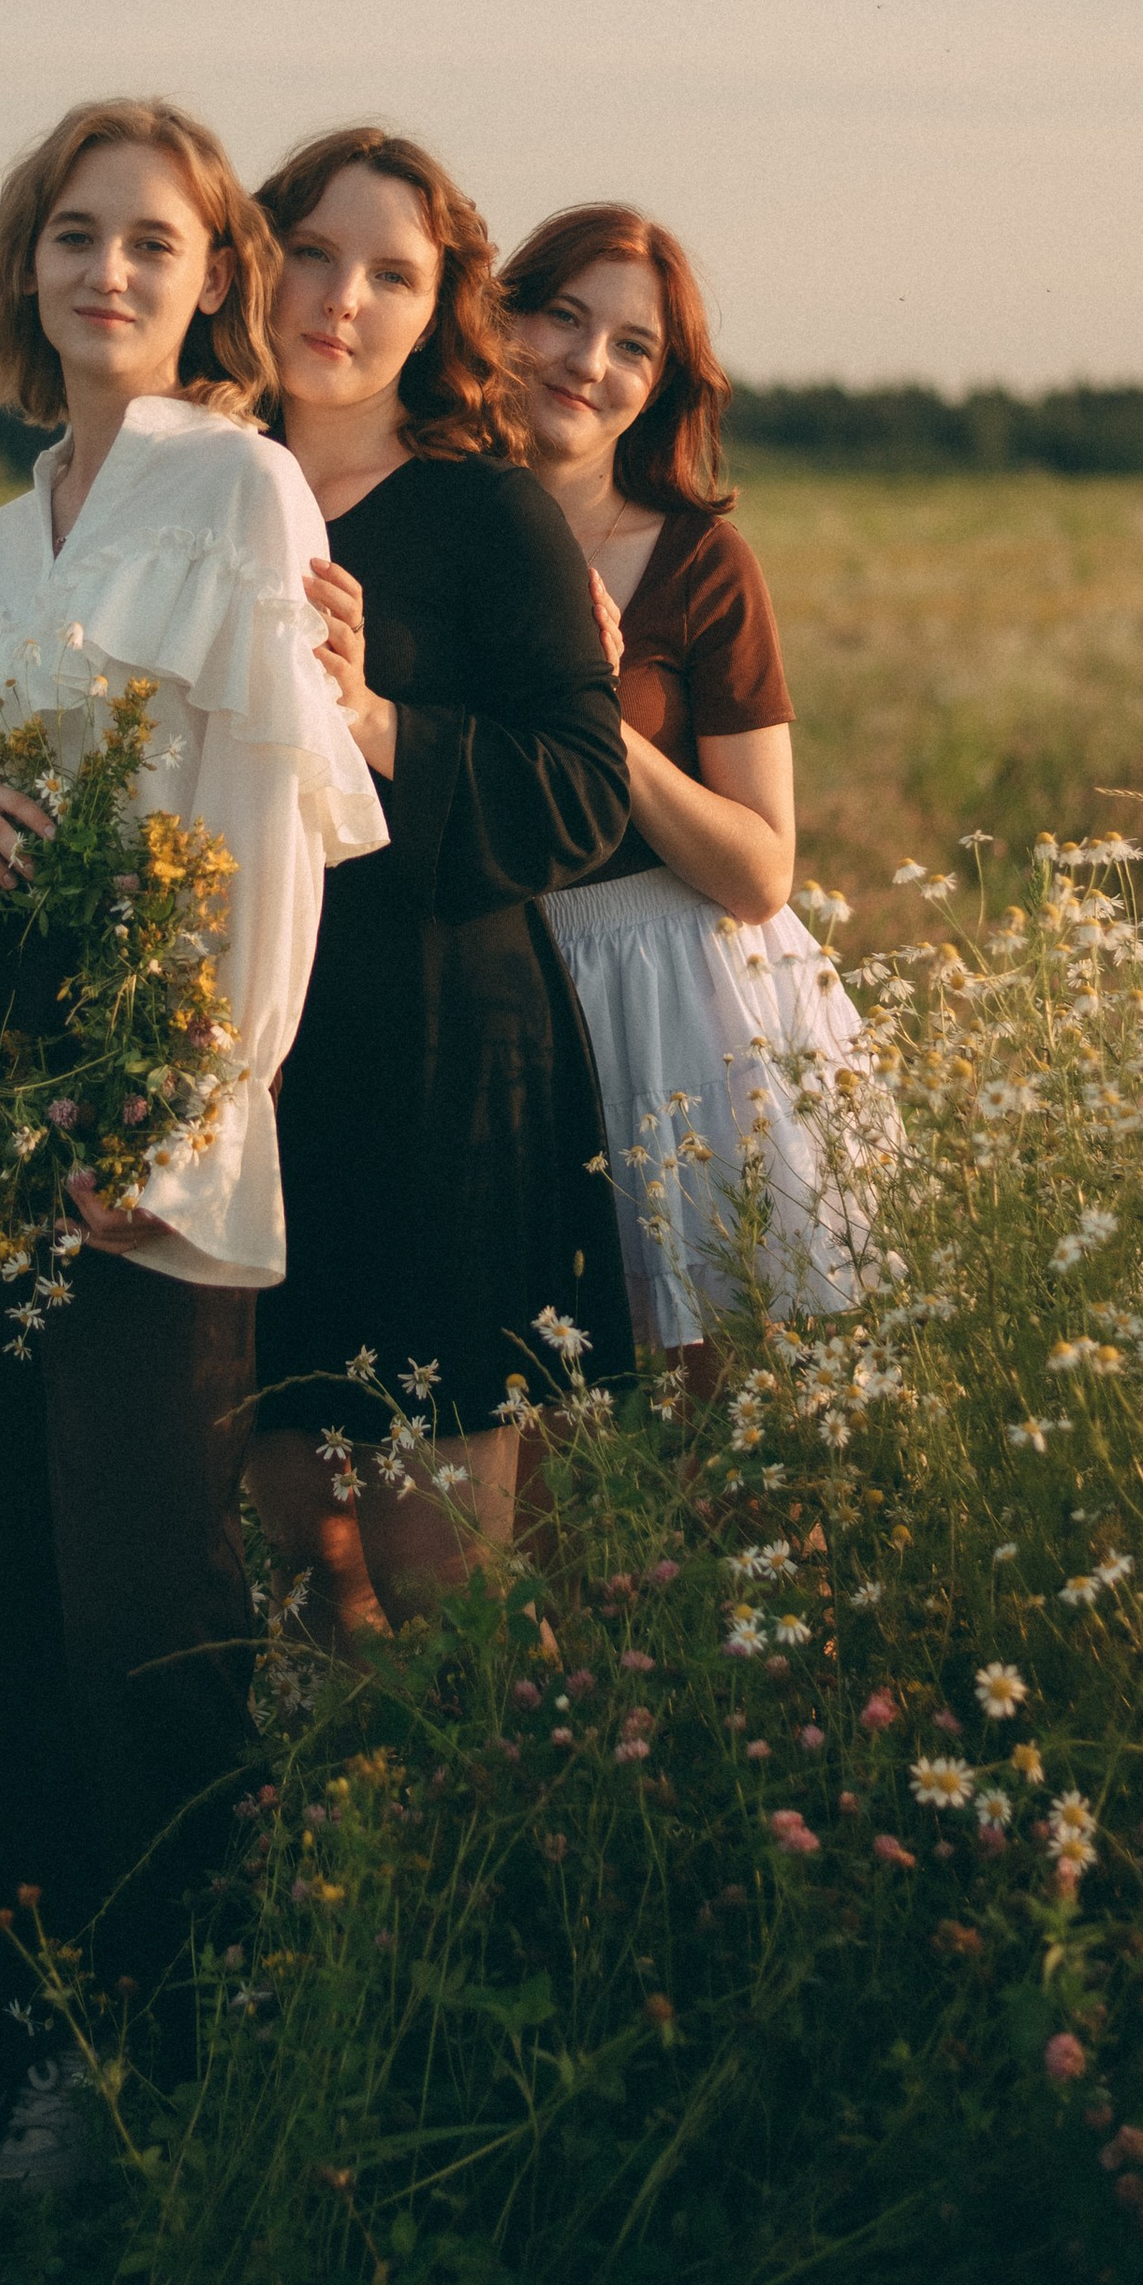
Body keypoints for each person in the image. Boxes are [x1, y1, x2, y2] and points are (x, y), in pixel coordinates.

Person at [0, 98, 385, 2186]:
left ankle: (140, 2062)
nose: (108, 272)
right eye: (74, 233)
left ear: (213, 277)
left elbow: (268, 849)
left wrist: (161, 1116)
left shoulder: (240, 496)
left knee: (136, 1632)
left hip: (138, 1161)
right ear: (23, 266)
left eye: (155, 241)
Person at [245, 128, 630, 1649]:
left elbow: (584, 795)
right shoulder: (195, 493)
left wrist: (377, 721)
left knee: (437, 1563)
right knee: (293, 1547)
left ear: (440, 308)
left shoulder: (487, 514)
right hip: (254, 1079)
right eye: (313, 254)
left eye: (392, 272)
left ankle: (514, 1864)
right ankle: (352, 1872)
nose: (342, 298)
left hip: (443, 1074)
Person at [498, 203, 874, 1361]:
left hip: (678, 1000)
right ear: (494, 319)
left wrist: (598, 715)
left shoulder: (701, 563)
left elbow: (760, 872)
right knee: (537, 1416)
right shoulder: (419, 525)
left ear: (660, 386)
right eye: (561, 316)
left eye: (631, 346)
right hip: (498, 1000)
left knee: (720, 1432)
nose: (586, 362)